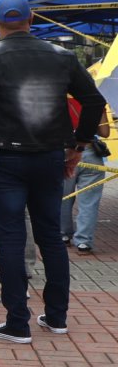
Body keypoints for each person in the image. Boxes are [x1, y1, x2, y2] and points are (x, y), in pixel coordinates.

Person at [0, 0, 105, 344]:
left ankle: (17, 323)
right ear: (32, 19)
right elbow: (93, 100)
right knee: (50, 237)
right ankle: (56, 317)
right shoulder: (61, 56)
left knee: (11, 237)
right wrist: (79, 145)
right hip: (49, 157)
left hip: (5, 159)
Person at [61, 103, 111, 254]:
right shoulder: (96, 101)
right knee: (89, 202)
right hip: (91, 154)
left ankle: (63, 235)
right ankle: (84, 241)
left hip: (65, 153)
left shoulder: (58, 97)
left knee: (63, 197)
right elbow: (105, 132)